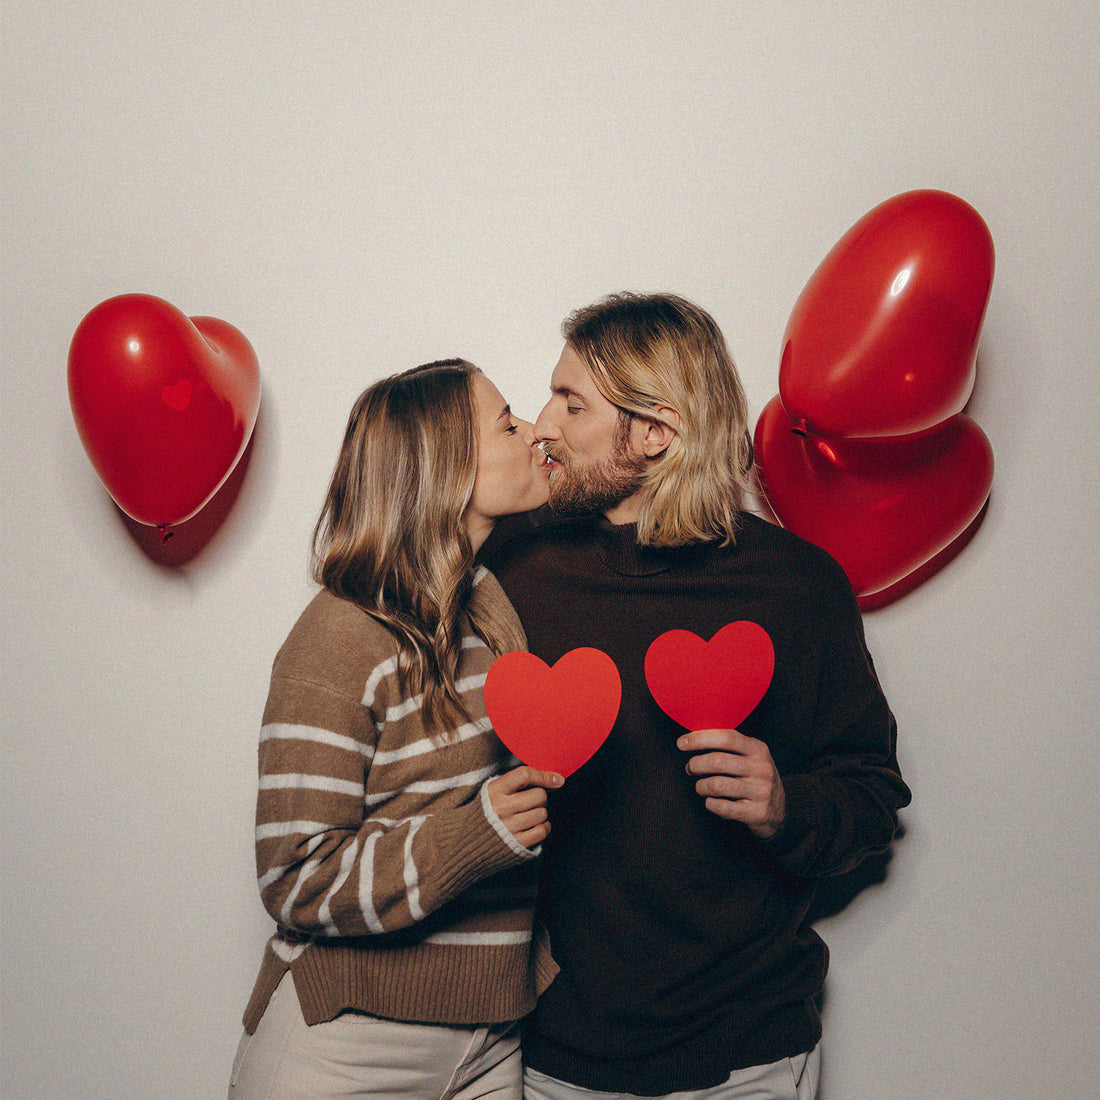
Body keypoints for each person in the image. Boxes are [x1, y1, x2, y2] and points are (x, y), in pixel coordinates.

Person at [478, 293, 912, 1100]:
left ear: (654, 433)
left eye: (571, 402)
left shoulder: (798, 586)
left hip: (749, 1054)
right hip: (556, 1052)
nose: (543, 424)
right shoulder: (514, 571)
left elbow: (874, 793)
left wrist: (787, 805)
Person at [229, 359, 562, 1100]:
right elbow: (294, 876)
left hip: (490, 1034)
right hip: (349, 1041)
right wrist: (476, 834)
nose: (535, 432)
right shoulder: (341, 636)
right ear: (446, 467)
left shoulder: (490, 612)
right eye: (508, 424)